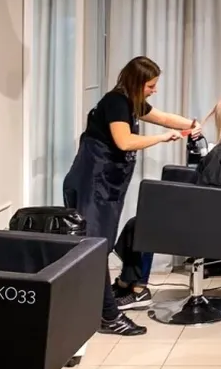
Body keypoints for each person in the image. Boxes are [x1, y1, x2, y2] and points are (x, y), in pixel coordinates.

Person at [63, 56, 202, 337]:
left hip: (104, 185)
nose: (154, 90)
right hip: (95, 184)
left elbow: (162, 117)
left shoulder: (130, 102)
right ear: (137, 83)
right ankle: (108, 316)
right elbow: (124, 141)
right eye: (150, 86)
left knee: (97, 245)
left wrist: (192, 124)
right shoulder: (116, 102)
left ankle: (100, 307)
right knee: (96, 247)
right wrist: (162, 138)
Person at [112, 92, 221, 308]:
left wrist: (170, 205)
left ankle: (137, 288)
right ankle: (126, 283)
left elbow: (203, 197)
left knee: (140, 224)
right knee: (144, 221)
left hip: (203, 228)